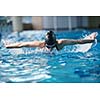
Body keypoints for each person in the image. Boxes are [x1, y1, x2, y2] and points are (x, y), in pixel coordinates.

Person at [5, 31, 97, 51]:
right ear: (45, 44)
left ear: (55, 43)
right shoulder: (40, 44)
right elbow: (22, 44)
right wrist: (8, 46)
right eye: (48, 47)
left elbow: (78, 41)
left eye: (52, 46)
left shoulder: (61, 43)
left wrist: (91, 40)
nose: (50, 49)